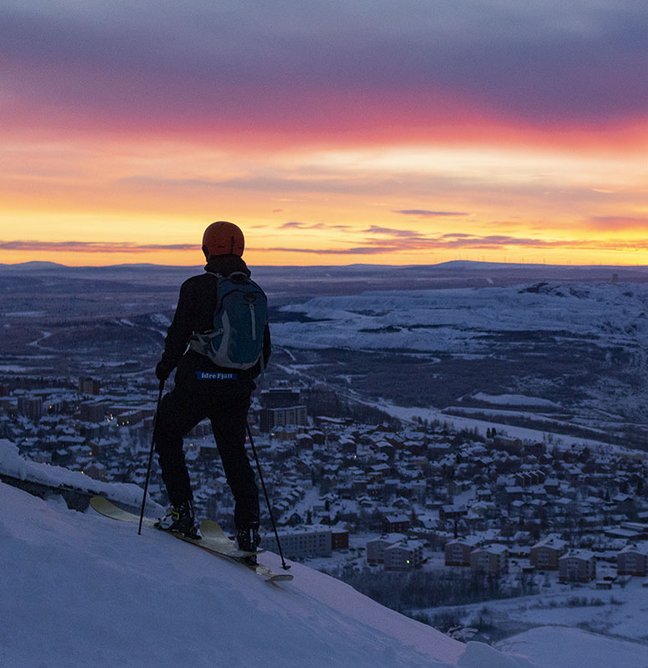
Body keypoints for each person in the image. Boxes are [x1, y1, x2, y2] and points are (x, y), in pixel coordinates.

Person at [153, 221, 270, 554]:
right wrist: (243, 380)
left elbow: (178, 335)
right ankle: (248, 530)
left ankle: (182, 512)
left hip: (199, 382)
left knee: (166, 430)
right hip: (237, 388)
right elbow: (264, 348)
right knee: (234, 452)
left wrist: (165, 367)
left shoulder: (195, 287)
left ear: (207, 248)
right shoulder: (253, 292)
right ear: (240, 250)